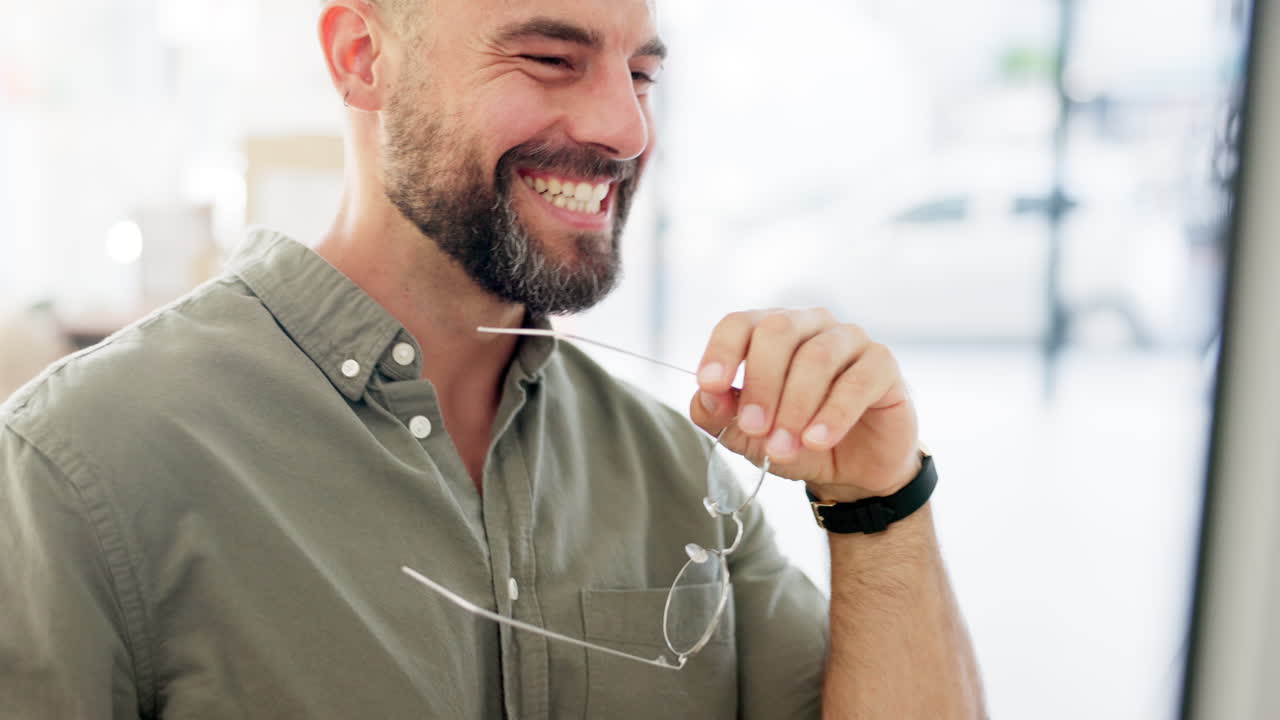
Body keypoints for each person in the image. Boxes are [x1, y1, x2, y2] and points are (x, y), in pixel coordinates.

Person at [0, 0, 985, 717]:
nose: (624, 127)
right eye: (551, 58)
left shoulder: (677, 472)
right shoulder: (81, 466)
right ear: (361, 57)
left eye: (638, 75)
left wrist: (877, 504)